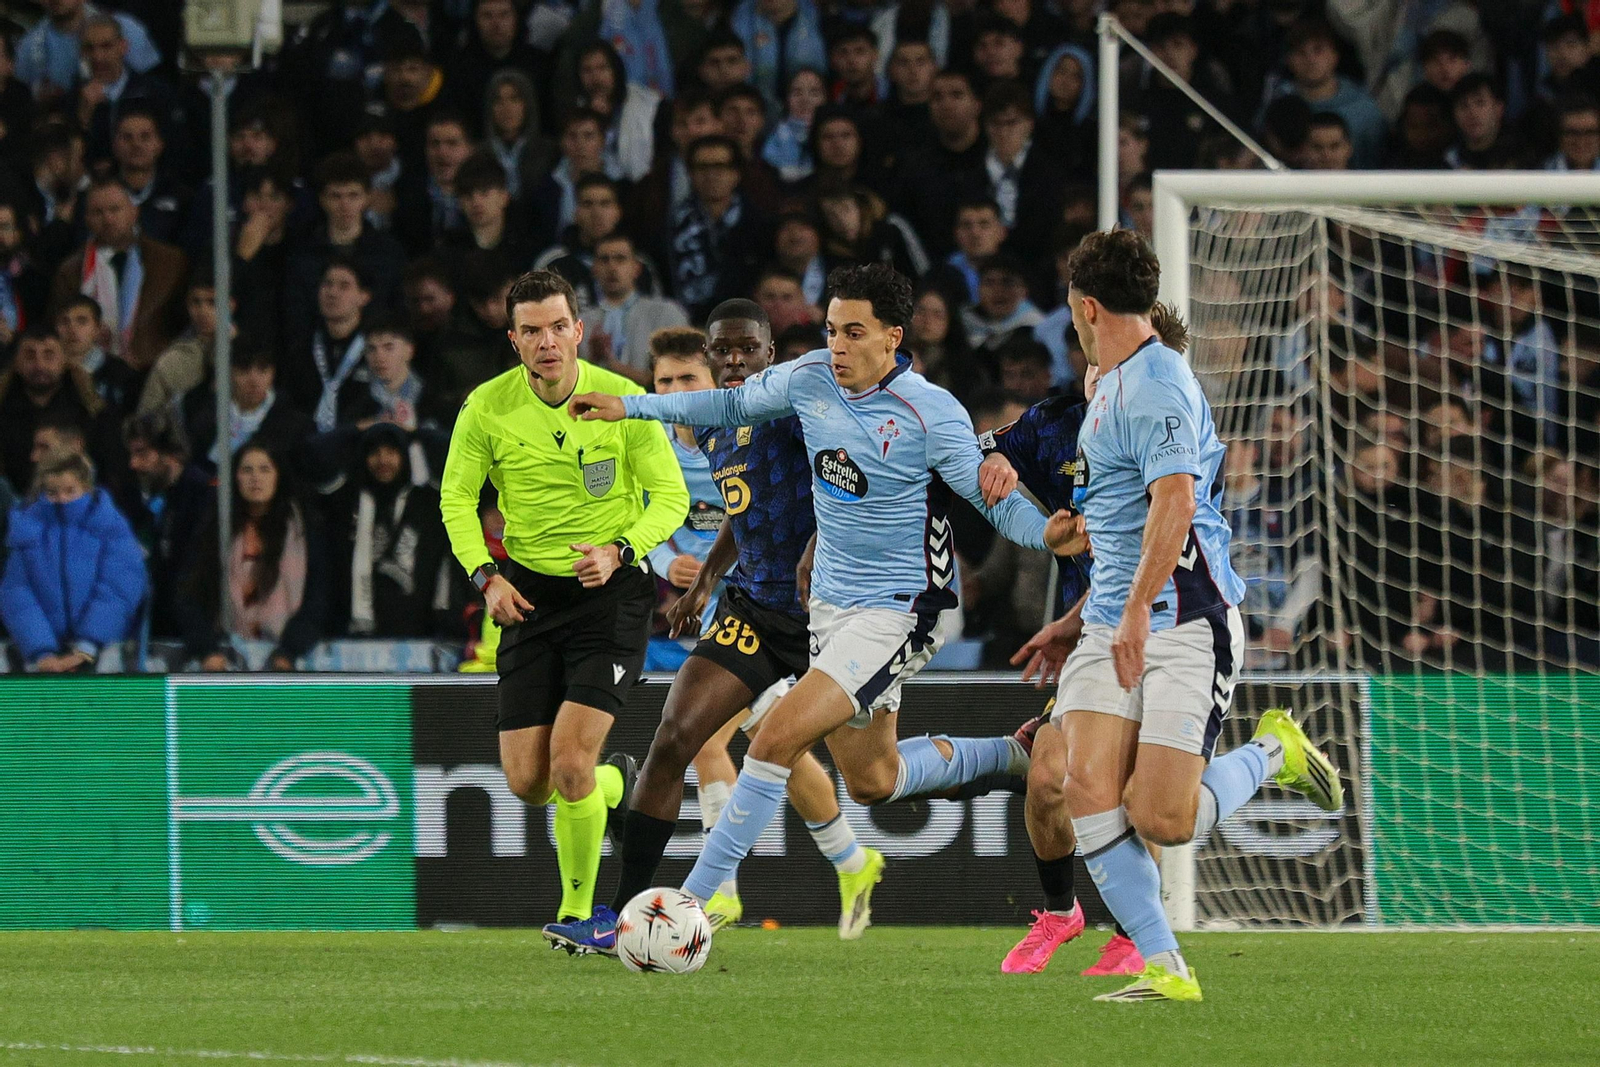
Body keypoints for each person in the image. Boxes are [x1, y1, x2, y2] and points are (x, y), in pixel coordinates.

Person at [571, 264, 1082, 938]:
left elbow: (991, 500)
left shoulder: (930, 411)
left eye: (854, 332)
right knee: (872, 778)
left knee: (773, 740)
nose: (837, 345)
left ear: (893, 337)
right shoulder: (809, 378)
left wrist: (1045, 533)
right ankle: (1009, 759)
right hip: (829, 605)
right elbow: (727, 405)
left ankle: (681, 912)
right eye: (832, 330)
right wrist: (631, 406)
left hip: (899, 607)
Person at [1047, 229, 1340, 1002]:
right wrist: (1079, 584)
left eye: (1073, 315)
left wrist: (1136, 611)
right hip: (1111, 618)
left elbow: (1175, 503)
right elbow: (1120, 511)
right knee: (1084, 785)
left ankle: (1274, 751)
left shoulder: (1157, 383)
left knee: (1163, 818)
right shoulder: (1108, 382)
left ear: (1087, 308)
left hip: (1186, 620)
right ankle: (1164, 963)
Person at [438, 269, 690, 933]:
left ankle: (578, 916)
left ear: (579, 330)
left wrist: (621, 550)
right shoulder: (486, 408)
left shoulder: (624, 400)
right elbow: (456, 498)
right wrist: (486, 577)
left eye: (558, 327)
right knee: (529, 782)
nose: (546, 342)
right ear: (514, 340)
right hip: (528, 594)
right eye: (531, 331)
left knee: (571, 761)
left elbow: (670, 496)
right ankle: (617, 783)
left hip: (611, 595)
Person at [176, 442, 328, 672]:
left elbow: (317, 598)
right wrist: (207, 649)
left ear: (278, 476)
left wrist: (289, 651)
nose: (255, 478)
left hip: (288, 658)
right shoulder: (215, 528)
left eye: (265, 469)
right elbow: (188, 593)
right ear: (235, 478)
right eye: (247, 470)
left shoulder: (304, 529)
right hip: (222, 658)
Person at [1, 447, 146, 673]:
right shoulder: (26, 527)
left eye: (70, 491)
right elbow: (17, 592)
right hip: (41, 659)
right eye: (52, 492)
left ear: (86, 487)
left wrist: (88, 646)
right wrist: (41, 650)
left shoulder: (111, 525)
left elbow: (119, 587)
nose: (62, 499)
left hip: (104, 652)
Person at [327, 422, 452, 637]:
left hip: (418, 634)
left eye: (392, 452)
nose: (383, 460)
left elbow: (456, 450)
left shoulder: (428, 503)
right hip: (352, 635)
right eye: (375, 453)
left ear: (405, 456)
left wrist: (414, 432)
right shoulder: (345, 501)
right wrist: (356, 429)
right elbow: (311, 454)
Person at [50, 178, 188, 372]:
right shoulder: (70, 271)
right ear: (87, 219)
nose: (108, 219)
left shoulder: (171, 262)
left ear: (134, 212)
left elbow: (185, 324)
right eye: (98, 212)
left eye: (115, 210)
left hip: (155, 369)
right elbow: (57, 327)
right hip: (91, 372)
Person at [577, 232, 689, 384]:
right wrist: (593, 360)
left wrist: (611, 364)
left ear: (636, 268)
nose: (612, 267)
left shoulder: (666, 313)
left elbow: (673, 379)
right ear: (594, 269)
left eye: (620, 259)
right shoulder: (581, 323)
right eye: (604, 260)